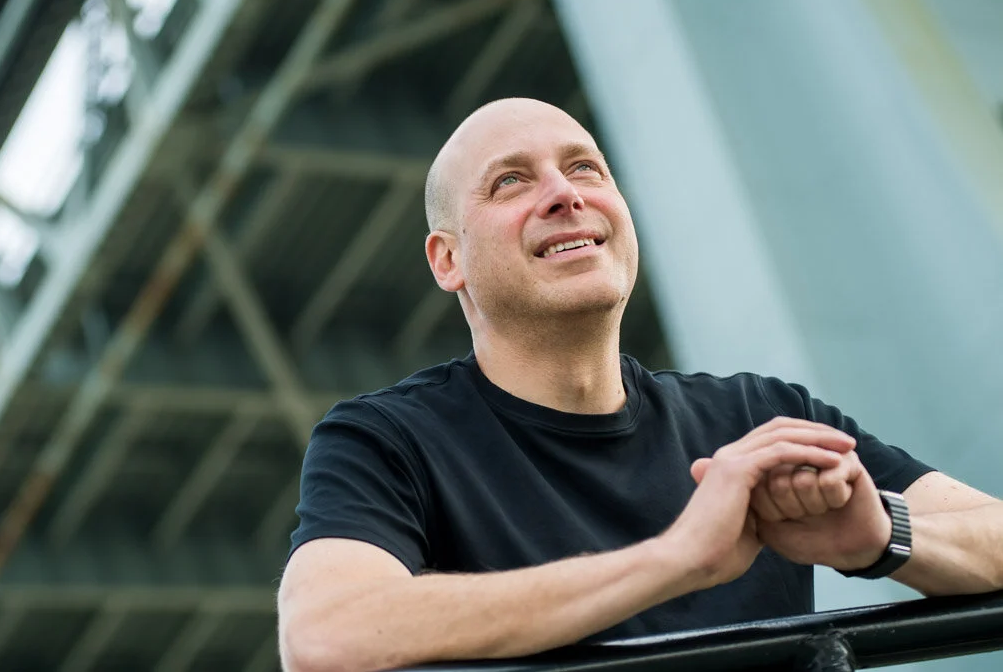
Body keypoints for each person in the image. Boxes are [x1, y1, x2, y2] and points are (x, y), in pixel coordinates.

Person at [277, 98, 1003, 672]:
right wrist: (678, 558)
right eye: (511, 180)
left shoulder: (761, 415)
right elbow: (328, 636)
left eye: (585, 168)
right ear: (447, 261)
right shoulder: (387, 440)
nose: (564, 195)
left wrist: (882, 536)